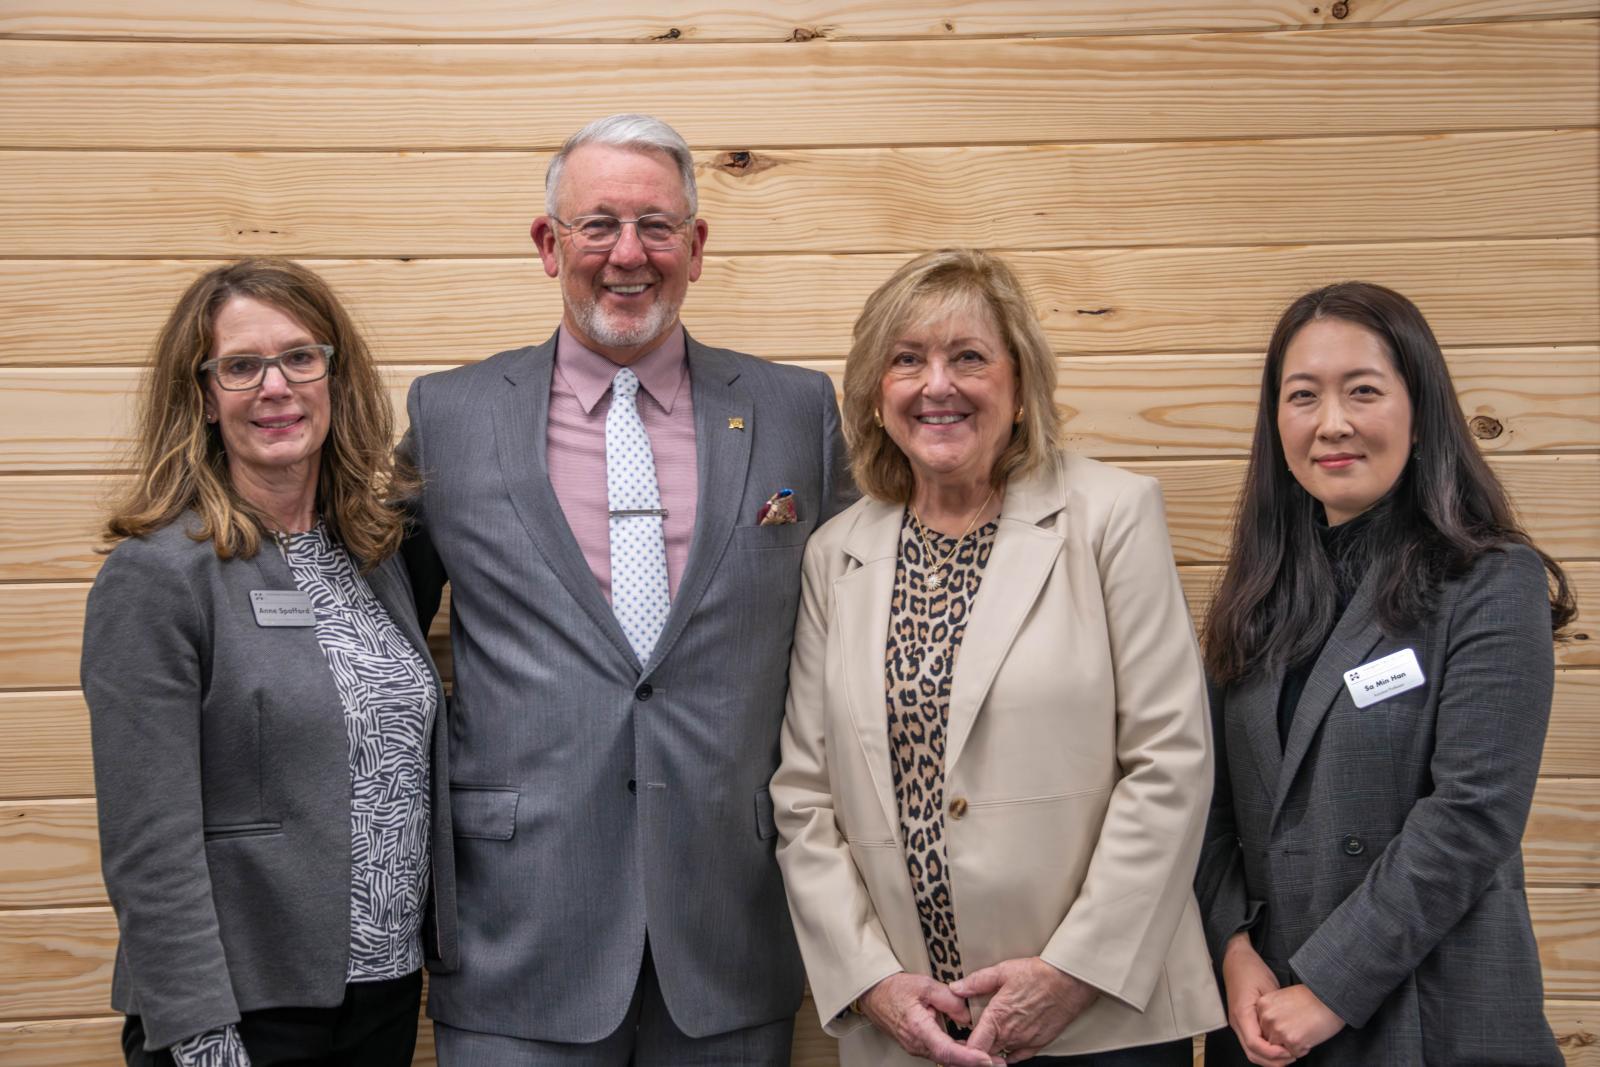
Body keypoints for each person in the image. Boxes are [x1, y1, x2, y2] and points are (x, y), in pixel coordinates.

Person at [399, 113, 851, 1065]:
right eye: (597, 224)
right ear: (547, 242)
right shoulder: (451, 416)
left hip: (729, 929)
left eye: (656, 225)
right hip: (517, 934)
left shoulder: (796, 411)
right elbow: (373, 627)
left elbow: (858, 625)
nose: (627, 254)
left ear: (695, 246)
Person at [769, 249, 1224, 1067]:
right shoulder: (836, 554)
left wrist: (1069, 973)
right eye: (907, 359)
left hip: (1098, 1018)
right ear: (878, 394)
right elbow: (804, 795)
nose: (936, 384)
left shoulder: (1111, 517)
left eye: (968, 357)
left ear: (1019, 389)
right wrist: (872, 981)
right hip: (909, 1030)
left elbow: (1171, 761)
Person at [82, 258, 456, 1067]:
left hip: (384, 990)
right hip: (242, 1009)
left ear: (334, 375)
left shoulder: (376, 556)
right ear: (204, 397)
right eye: (241, 366)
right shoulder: (158, 576)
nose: (275, 386)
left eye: (298, 357)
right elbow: (150, 845)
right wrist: (201, 1037)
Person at [1195, 281, 1574, 1066]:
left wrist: (1330, 987)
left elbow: (1472, 816)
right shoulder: (1255, 595)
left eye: (1363, 390)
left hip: (1430, 1012)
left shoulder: (1492, 581)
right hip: (1263, 1016)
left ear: (1419, 406)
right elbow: (1210, 805)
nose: (1332, 422)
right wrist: (1233, 950)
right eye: (1303, 396)